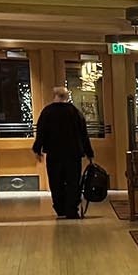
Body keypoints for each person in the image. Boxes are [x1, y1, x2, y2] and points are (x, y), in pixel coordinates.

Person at [32, 86, 94, 219]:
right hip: (73, 154)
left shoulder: (47, 112)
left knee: (56, 181)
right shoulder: (75, 112)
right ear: (67, 97)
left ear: (54, 96)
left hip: (54, 153)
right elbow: (84, 134)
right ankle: (72, 209)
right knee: (73, 181)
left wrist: (37, 149)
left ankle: (60, 208)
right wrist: (89, 152)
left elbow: (41, 132)